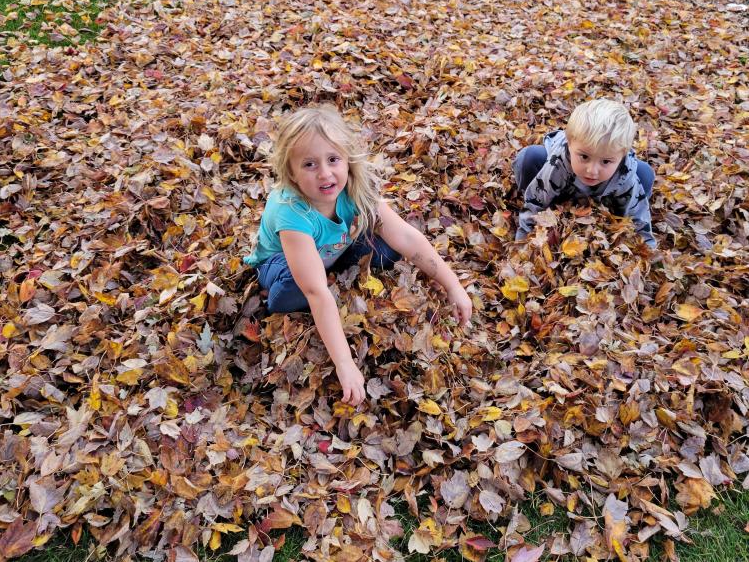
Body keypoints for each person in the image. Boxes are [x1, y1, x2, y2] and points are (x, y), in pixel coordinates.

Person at [244, 105, 472, 406]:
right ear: (292, 174)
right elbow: (317, 292)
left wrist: (452, 285)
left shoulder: (355, 190)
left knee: (387, 249)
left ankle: (333, 265)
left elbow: (407, 237)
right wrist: (344, 363)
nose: (325, 173)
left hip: (331, 250)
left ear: (348, 160)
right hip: (281, 263)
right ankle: (280, 290)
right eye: (310, 165)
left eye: (333, 159)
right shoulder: (292, 213)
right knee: (294, 290)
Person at [513, 98, 656, 247]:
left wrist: (647, 249)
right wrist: (522, 244)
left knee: (645, 173)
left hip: (604, 197)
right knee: (530, 157)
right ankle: (544, 195)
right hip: (561, 186)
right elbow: (535, 203)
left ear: (622, 156)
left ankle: (609, 203)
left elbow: (638, 219)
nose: (592, 171)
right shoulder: (558, 162)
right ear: (569, 145)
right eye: (584, 157)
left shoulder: (624, 173)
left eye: (606, 161)